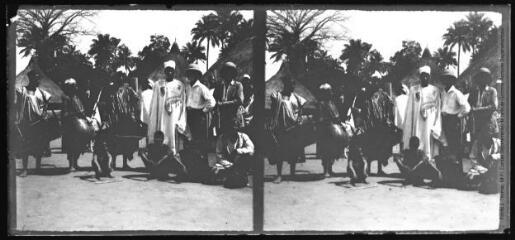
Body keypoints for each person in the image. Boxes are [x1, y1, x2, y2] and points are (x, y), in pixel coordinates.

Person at [14, 70, 53, 177]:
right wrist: (17, 118)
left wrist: (44, 113)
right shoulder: (22, 91)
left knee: (39, 146)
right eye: (34, 78)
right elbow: (17, 105)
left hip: (38, 123)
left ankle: (38, 168)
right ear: (30, 79)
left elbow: (46, 104)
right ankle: (25, 169)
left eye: (38, 79)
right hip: (26, 123)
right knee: (25, 146)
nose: (37, 81)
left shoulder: (41, 93)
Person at [269, 77, 307, 183]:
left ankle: (292, 174)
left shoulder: (297, 98)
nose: (292, 87)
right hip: (281, 127)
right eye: (290, 84)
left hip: (294, 128)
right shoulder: (278, 96)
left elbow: (300, 111)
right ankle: (279, 175)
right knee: (279, 152)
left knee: (293, 152)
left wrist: (299, 119)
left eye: (293, 85)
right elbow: (273, 111)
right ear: (285, 85)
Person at [402, 65, 444, 160]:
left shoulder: (435, 90)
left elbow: (437, 109)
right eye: (422, 76)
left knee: (428, 140)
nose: (424, 78)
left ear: (429, 77)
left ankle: (427, 159)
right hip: (417, 122)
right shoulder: (414, 90)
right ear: (420, 77)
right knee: (416, 140)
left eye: (426, 76)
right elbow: (409, 109)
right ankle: (416, 159)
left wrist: (436, 125)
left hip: (429, 122)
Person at [147, 60, 189, 157]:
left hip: (173, 118)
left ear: (174, 72)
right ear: (164, 72)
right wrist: (154, 119)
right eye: (167, 70)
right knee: (161, 137)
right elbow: (154, 104)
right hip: (161, 118)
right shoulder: (158, 84)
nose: (169, 73)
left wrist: (181, 120)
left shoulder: (179, 85)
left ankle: (173, 156)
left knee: (173, 139)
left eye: (171, 70)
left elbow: (182, 105)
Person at [440, 66, 471, 172]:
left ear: (453, 80)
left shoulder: (457, 93)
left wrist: (457, 116)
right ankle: (447, 174)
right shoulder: (443, 93)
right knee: (445, 147)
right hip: (444, 121)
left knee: (455, 147)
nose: (446, 81)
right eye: (445, 78)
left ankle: (457, 174)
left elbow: (467, 107)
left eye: (449, 78)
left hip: (453, 122)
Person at [61, 78, 94, 172]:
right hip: (71, 125)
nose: (75, 87)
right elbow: (66, 113)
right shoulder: (66, 98)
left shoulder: (76, 97)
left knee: (79, 146)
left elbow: (81, 109)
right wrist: (77, 115)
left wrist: (85, 117)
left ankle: (75, 163)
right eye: (73, 86)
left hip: (79, 124)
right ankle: (71, 164)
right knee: (71, 146)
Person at [185, 63, 216, 161]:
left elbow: (212, 102)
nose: (190, 76)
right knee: (190, 140)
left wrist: (203, 111)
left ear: (197, 75)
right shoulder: (187, 87)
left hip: (198, 116)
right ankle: (192, 164)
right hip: (189, 115)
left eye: (193, 74)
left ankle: (201, 166)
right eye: (189, 73)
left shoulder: (201, 88)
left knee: (199, 140)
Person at [468, 67, 499, 165]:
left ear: (487, 79)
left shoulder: (492, 91)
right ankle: (479, 171)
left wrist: (477, 110)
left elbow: (494, 106)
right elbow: (468, 105)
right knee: (478, 148)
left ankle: (489, 170)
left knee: (489, 147)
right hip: (477, 124)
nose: (482, 79)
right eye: (480, 77)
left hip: (488, 124)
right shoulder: (474, 91)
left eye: (484, 77)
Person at [315, 83, 346, 177]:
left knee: (332, 151)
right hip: (325, 131)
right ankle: (326, 171)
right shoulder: (321, 104)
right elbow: (320, 118)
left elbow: (337, 116)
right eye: (329, 91)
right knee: (325, 152)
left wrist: (340, 123)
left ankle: (330, 169)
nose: (331, 93)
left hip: (333, 130)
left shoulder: (332, 103)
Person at [213, 62, 244, 136]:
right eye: (226, 72)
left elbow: (240, 100)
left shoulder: (238, 85)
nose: (228, 74)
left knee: (233, 139)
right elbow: (214, 99)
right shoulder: (219, 85)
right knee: (222, 139)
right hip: (222, 118)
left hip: (234, 118)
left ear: (233, 73)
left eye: (230, 72)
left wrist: (224, 104)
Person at [394, 83, 409, 150]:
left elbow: (395, 112)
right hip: (407, 121)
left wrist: (395, 122)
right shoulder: (409, 98)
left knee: (399, 138)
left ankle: (397, 152)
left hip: (399, 122)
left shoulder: (396, 99)